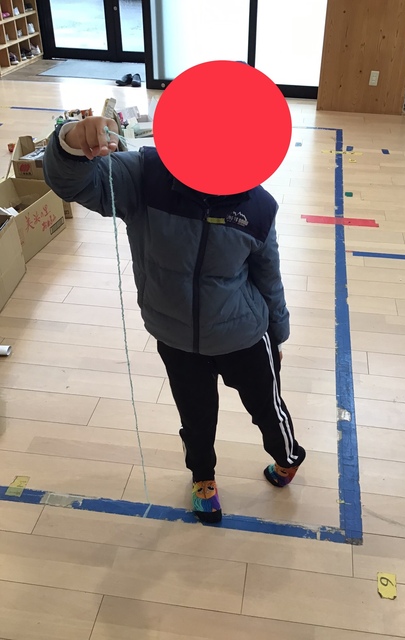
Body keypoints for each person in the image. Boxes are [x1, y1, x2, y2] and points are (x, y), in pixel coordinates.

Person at [43, 115, 306, 524]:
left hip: (243, 334)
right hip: (176, 337)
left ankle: (288, 457)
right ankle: (203, 477)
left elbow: (268, 276)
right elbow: (74, 183)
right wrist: (71, 141)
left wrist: (278, 334)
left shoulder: (258, 205)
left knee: (267, 408)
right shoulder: (145, 176)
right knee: (195, 417)